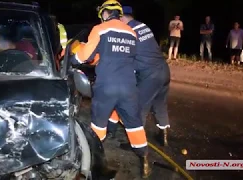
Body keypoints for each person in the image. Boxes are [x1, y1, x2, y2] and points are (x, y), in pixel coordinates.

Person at [71, 0, 150, 178]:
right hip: (129, 87)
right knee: (134, 125)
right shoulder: (131, 33)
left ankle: (95, 161)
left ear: (105, 13)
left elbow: (85, 55)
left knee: (98, 125)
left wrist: (74, 58)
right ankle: (144, 159)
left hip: (107, 86)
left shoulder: (100, 29)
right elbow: (125, 57)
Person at [107, 6, 171, 147]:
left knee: (138, 108)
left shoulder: (128, 32)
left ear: (123, 18)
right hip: (164, 70)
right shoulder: (143, 26)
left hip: (150, 74)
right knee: (160, 104)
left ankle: (136, 144)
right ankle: (164, 136)